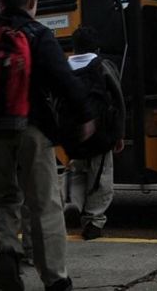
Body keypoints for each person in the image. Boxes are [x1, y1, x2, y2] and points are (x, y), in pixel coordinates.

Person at [0, 0, 95, 291]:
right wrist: (85, 116)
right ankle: (56, 279)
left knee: (0, 199)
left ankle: (6, 249)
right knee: (44, 205)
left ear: (0, 1)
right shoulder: (38, 34)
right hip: (32, 129)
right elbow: (64, 80)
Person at [62, 26, 125, 240]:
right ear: (96, 47)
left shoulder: (64, 68)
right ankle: (94, 222)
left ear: (74, 46)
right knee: (100, 177)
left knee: (77, 172)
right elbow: (117, 100)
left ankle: (72, 204)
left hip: (74, 136)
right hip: (101, 134)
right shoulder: (103, 66)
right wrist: (118, 134)